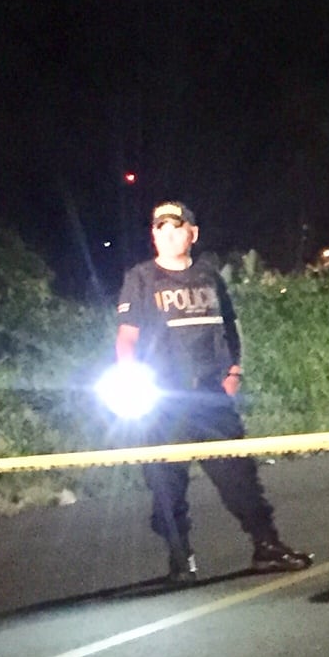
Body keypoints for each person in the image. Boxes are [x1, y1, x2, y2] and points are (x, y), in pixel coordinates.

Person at [115, 201, 313, 582]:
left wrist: (233, 374)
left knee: (240, 476)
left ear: (193, 233)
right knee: (165, 485)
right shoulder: (139, 279)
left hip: (210, 398)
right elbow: (126, 339)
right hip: (162, 403)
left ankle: (267, 546)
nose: (168, 233)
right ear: (153, 235)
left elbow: (230, 329)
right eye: (160, 228)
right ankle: (180, 559)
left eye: (177, 226)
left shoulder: (209, 277)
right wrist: (132, 380)